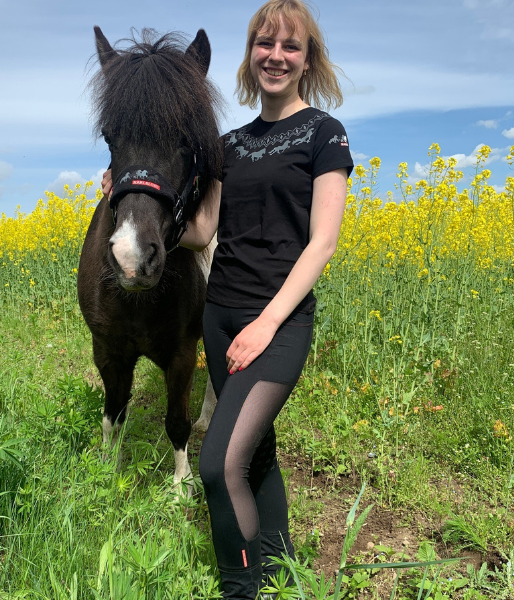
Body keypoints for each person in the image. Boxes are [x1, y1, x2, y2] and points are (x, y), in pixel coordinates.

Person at [102, 1, 352, 597]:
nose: (276, 56)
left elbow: (321, 244)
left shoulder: (324, 134)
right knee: (256, 451)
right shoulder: (228, 146)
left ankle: (242, 589)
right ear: (250, 55)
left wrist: (268, 323)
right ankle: (281, 566)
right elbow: (201, 232)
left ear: (307, 59)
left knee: (218, 464)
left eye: (291, 46)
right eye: (265, 44)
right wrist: (127, 200)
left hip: (278, 323)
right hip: (220, 317)